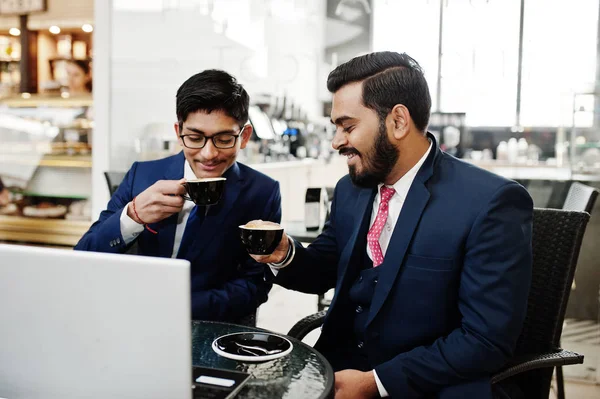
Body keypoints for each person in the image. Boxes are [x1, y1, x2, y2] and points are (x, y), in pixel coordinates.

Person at [250, 52, 533, 398]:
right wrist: (282, 252)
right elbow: (325, 269)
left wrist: (375, 383)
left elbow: (484, 340)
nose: (336, 142)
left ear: (398, 121)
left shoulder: (490, 203)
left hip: (427, 386)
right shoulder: (351, 190)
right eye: (335, 128)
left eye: (348, 126)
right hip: (336, 369)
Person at [75, 70, 281, 323]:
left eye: (224, 139)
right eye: (194, 138)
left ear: (245, 136)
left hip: (210, 325)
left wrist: (177, 307)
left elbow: (254, 285)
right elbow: (85, 255)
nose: (208, 154)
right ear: (178, 131)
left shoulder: (262, 192)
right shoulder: (143, 175)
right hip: (134, 319)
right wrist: (133, 215)